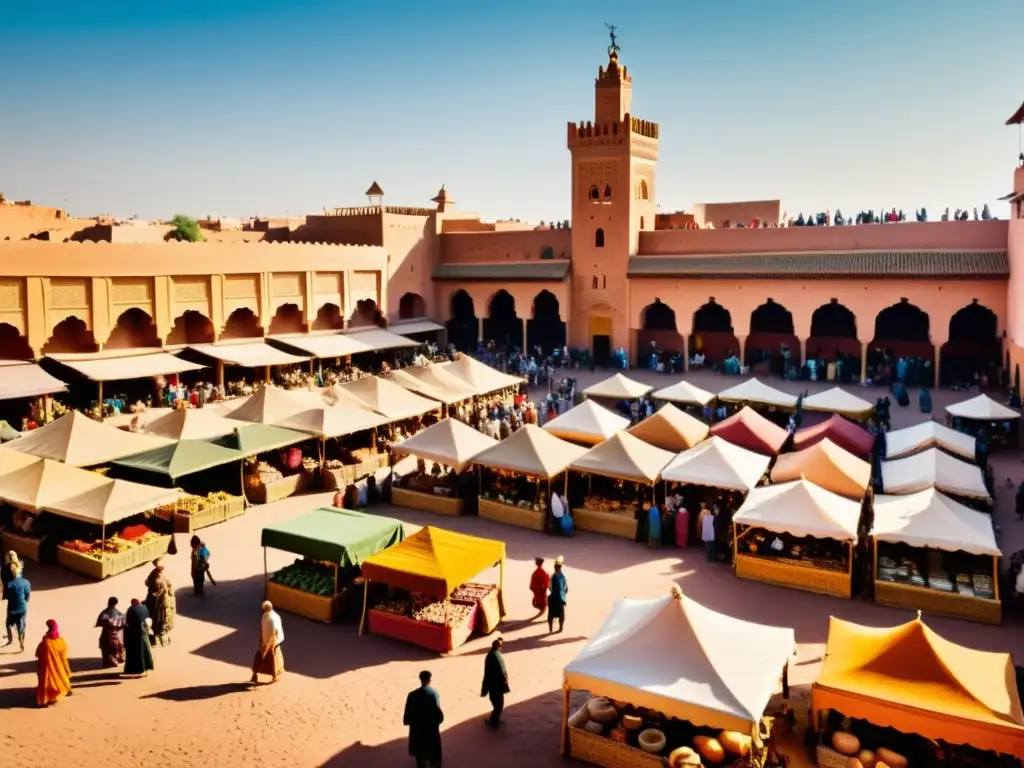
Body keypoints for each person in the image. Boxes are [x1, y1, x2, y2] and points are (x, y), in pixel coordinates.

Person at [404, 670, 444, 768]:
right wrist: (437, 722)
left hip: (417, 728)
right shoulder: (433, 693)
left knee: (419, 753)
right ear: (429, 680)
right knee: (433, 750)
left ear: (420, 679)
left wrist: (408, 721)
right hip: (431, 728)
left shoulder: (412, 695)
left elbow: (407, 715)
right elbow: (438, 713)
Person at [35, 619, 72, 708]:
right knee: (61, 676)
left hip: (47, 666)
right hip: (60, 664)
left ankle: (45, 700)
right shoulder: (61, 640)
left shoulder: (45, 642)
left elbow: (39, 653)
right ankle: (66, 690)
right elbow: (64, 652)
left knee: (47, 681)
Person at [251, 600, 285, 685]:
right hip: (270, 641)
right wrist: (267, 644)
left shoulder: (267, 617)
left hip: (268, 641)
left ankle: (255, 675)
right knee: (271, 658)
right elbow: (270, 631)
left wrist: (264, 643)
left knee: (261, 657)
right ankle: (274, 676)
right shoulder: (273, 616)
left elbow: (270, 632)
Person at [481, 637, 509, 729]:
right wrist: (505, 681)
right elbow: (502, 670)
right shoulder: (496, 655)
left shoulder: (491, 655)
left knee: (497, 704)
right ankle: (493, 723)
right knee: (498, 705)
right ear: (499, 647)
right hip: (496, 685)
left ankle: (494, 721)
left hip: (492, 685)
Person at [123, 598, 154, 677]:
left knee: (135, 652)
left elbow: (128, 622)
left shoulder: (131, 609)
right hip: (144, 633)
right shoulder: (144, 608)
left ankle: (135, 669)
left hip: (135, 634)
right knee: (145, 651)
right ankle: (147, 667)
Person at [146, 563, 176, 646]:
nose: (160, 573)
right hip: (158, 604)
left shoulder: (158, 578)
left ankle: (161, 636)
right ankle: (159, 637)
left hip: (161, 604)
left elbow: (147, 583)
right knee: (159, 619)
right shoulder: (157, 579)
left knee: (161, 618)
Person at [3, 561, 31, 652]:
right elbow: (27, 595)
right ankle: (21, 639)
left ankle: (10, 639)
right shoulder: (26, 582)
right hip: (22, 607)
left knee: (8, 624)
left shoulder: (10, 584)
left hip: (12, 608)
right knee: (21, 623)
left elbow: (6, 596)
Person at [95, 597, 126, 668]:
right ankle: (118, 658)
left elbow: (99, 623)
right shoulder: (120, 613)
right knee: (119, 646)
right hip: (118, 635)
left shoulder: (104, 613)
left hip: (108, 634)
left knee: (104, 645)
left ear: (108, 602)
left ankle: (109, 662)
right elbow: (124, 624)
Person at [548, 557, 568, 633]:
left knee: (551, 614)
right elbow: (566, 589)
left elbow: (549, 587)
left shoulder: (552, 576)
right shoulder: (562, 577)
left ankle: (550, 629)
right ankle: (560, 628)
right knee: (561, 615)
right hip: (560, 599)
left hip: (553, 598)